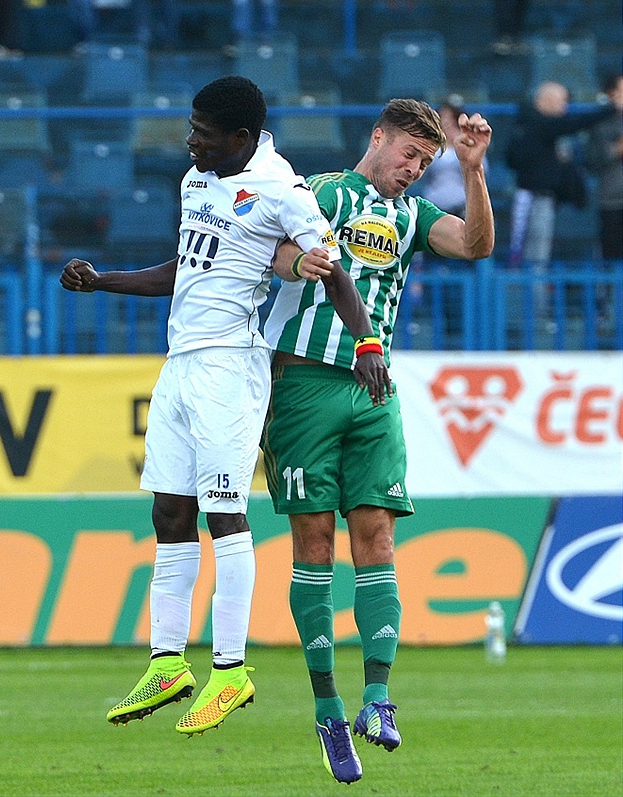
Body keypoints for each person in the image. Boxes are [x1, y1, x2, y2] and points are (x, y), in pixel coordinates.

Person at [59, 76, 389, 738]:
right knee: (169, 511)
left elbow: (333, 269)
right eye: (192, 129)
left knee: (224, 513)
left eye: (203, 133)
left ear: (241, 137)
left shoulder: (282, 188)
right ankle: (166, 662)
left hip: (230, 368)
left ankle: (231, 670)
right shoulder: (196, 180)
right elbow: (186, 268)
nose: (190, 141)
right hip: (181, 363)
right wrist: (102, 282)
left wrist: (366, 342)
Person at [261, 98, 495, 785]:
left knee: (379, 538)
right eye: (408, 154)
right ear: (378, 138)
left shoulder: (412, 216)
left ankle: (378, 697)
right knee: (313, 543)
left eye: (425, 161)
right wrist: (295, 263)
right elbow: (269, 249)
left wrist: (473, 172)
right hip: (304, 383)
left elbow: (475, 245)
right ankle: (328, 711)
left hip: (374, 388)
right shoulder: (325, 194)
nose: (414, 169)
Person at [507, 80, 616, 269]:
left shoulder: (531, 124)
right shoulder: (537, 123)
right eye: (562, 101)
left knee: (537, 250)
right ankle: (532, 288)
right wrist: (611, 109)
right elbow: (574, 123)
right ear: (547, 100)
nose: (565, 107)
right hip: (534, 197)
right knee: (533, 253)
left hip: (544, 197)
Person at [586, 73, 623, 262]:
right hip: (612, 199)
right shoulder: (600, 121)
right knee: (612, 255)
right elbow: (591, 160)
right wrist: (615, 150)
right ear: (611, 94)